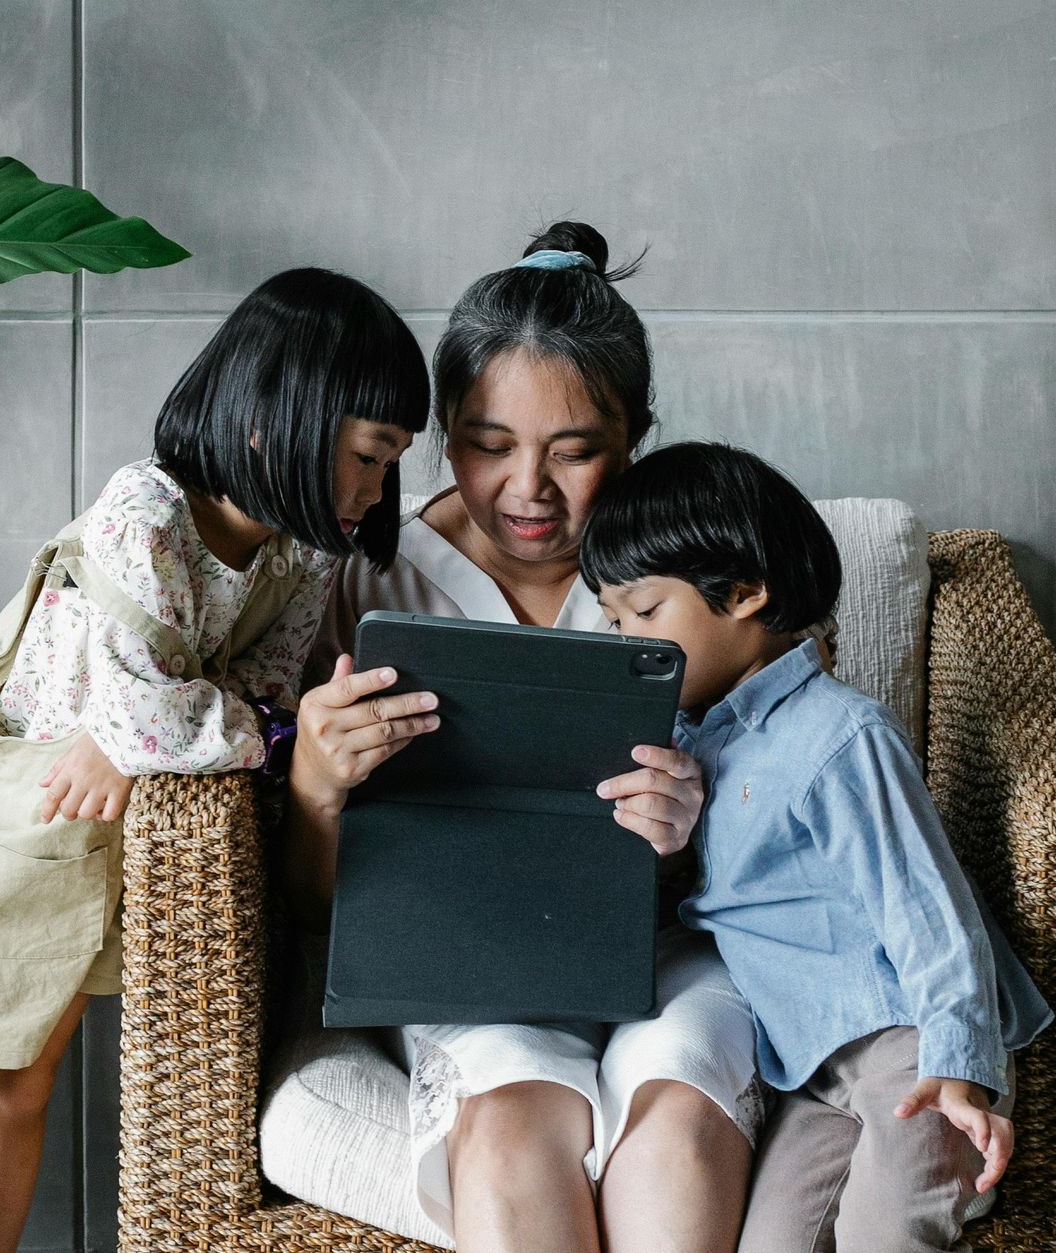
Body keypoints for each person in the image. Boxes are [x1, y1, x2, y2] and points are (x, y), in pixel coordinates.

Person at [0, 268, 429, 1253]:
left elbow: (259, 701)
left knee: (24, 1090)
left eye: (389, 463)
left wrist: (169, 726)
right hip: (6, 815)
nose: (375, 489)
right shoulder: (147, 511)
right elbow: (170, 715)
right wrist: (163, 726)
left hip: (91, 846)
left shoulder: (296, 556)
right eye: (366, 455)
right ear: (275, 420)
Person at [276, 224, 760, 1253]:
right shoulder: (371, 577)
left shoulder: (709, 569)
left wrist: (696, 827)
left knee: (675, 1138)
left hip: (676, 953)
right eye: (488, 444)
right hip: (471, 963)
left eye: (575, 450)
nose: (527, 490)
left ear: (636, 437)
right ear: (442, 431)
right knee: (507, 1136)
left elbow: (807, 822)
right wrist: (317, 782)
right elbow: (317, 909)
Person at [578, 440, 1054, 1252]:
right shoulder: (691, 743)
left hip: (908, 1045)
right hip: (808, 1066)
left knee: (888, 1230)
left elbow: (928, 911)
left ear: (746, 594)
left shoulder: (839, 736)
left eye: (646, 612)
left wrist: (960, 1065)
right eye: (615, 617)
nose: (630, 640)